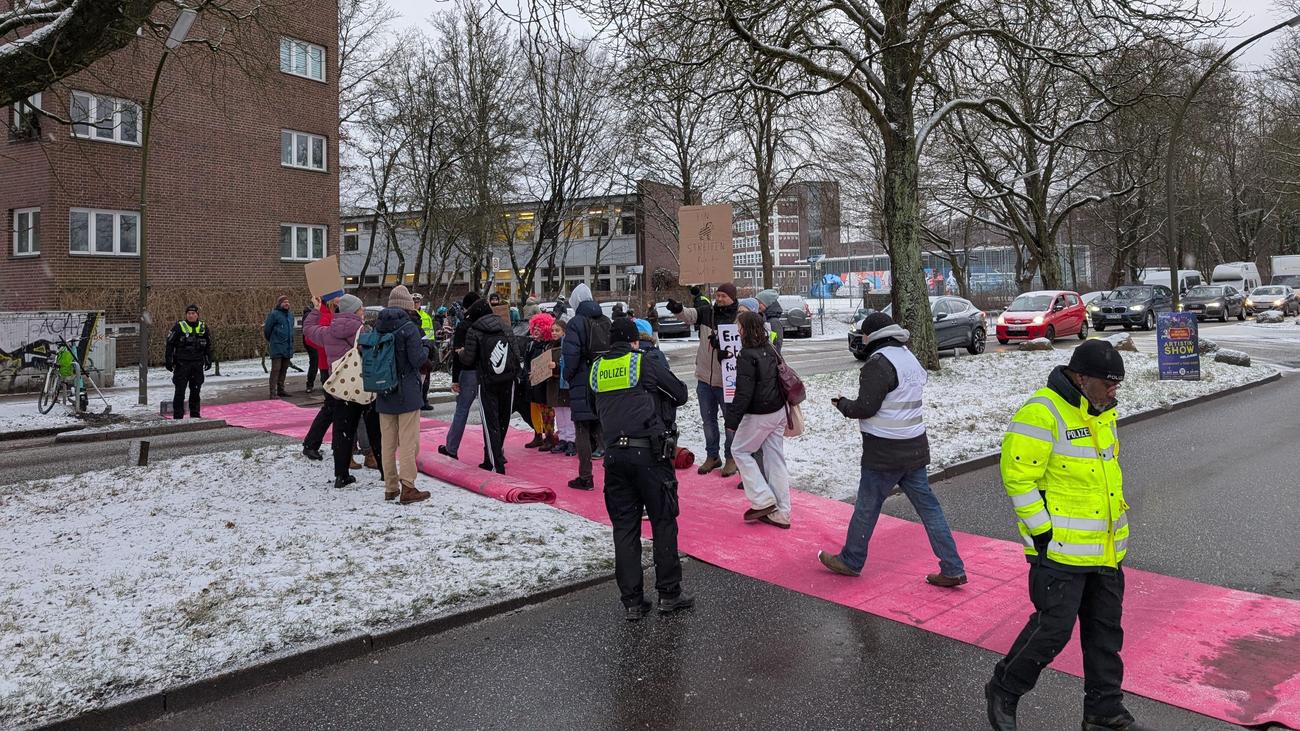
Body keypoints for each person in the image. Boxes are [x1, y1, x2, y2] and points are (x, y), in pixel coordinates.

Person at [985, 340, 1132, 731]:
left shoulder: (1103, 412)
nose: (1115, 390)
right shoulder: (1042, 412)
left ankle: (1105, 711)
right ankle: (1004, 689)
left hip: (1104, 551)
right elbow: (1018, 477)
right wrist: (1042, 533)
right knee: (1052, 630)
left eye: (1118, 383)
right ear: (1082, 378)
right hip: (1059, 551)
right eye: (1109, 383)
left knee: (1105, 635)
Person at [817, 312, 967, 588]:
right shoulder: (909, 358)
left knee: (866, 508)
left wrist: (842, 403)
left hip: (884, 453)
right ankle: (953, 566)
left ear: (872, 336)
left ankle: (851, 560)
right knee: (930, 511)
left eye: (863, 334)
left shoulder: (878, 364)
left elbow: (865, 407)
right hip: (914, 448)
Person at [589, 316, 692, 620]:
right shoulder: (642, 362)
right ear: (635, 341)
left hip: (613, 458)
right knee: (662, 521)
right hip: (648, 455)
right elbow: (680, 392)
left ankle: (633, 601)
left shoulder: (597, 368)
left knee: (624, 528)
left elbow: (591, 405)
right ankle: (669, 594)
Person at [303, 294, 386, 491]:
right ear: (355, 311)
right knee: (375, 430)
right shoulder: (362, 330)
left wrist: (316, 309)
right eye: (361, 308)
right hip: (364, 388)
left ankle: (341, 475)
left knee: (342, 432)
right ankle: (385, 470)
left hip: (341, 389)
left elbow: (307, 329)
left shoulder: (329, 331)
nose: (363, 310)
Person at [726, 311, 791, 529]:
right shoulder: (769, 348)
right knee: (775, 459)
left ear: (746, 329)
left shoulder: (746, 355)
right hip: (779, 409)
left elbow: (743, 393)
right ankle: (782, 512)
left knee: (740, 451)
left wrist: (731, 421)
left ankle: (763, 500)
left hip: (760, 413)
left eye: (739, 325)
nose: (737, 329)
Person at [668, 282, 738, 477]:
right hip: (704, 379)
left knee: (730, 422)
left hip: (727, 382)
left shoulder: (738, 317)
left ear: (732, 298)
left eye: (724, 296)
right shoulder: (708, 312)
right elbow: (690, 315)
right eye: (718, 295)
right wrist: (678, 309)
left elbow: (741, 345)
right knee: (708, 421)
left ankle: (732, 458)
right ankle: (712, 456)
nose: (720, 298)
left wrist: (726, 352)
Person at [373, 285, 432, 504]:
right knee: (408, 441)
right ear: (408, 305)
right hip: (406, 390)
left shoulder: (377, 327)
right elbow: (417, 360)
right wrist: (426, 348)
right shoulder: (409, 328)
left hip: (383, 389)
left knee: (387, 441)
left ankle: (390, 487)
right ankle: (408, 487)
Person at [561, 283, 611, 490]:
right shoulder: (605, 320)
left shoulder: (576, 323)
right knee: (602, 427)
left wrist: (568, 376)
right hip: (603, 379)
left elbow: (571, 355)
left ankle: (585, 476)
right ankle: (615, 474)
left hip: (582, 379)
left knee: (582, 428)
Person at [459, 297, 516, 474]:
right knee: (502, 421)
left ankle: (494, 463)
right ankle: (493, 457)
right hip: (508, 379)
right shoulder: (505, 326)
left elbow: (468, 359)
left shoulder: (474, 330)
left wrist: (461, 353)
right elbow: (516, 352)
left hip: (486, 381)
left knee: (490, 422)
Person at [439, 292, 481, 460]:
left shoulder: (464, 325)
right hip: (485, 372)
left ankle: (452, 447)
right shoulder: (486, 323)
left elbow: (457, 354)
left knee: (462, 411)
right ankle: (494, 450)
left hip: (467, 371)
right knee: (488, 413)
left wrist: (455, 379)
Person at [164, 304, 213, 419]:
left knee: (196, 391)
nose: (191, 316)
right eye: (189, 314)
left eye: (193, 314)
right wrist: (168, 360)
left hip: (197, 364)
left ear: (197, 315)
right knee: (180, 391)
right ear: (186, 315)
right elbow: (170, 344)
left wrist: (208, 359)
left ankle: (195, 415)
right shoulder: (179, 326)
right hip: (182, 364)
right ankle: (178, 416)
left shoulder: (203, 327)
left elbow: (208, 345)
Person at [524, 312, 559, 450]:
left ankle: (549, 437)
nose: (536, 330)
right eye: (535, 327)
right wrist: (527, 374)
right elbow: (527, 362)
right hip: (533, 382)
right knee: (534, 409)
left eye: (540, 327)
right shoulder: (531, 344)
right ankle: (538, 435)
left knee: (547, 410)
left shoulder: (549, 345)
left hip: (545, 383)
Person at [550, 318, 576, 457]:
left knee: (568, 412)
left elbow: (569, 364)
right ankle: (562, 438)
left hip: (565, 383)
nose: (554, 333)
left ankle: (571, 439)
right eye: (552, 330)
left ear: (564, 331)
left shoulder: (567, 345)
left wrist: (557, 367)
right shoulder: (550, 346)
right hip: (555, 384)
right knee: (559, 412)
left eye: (557, 330)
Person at [263, 294, 295, 398]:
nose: (287, 304)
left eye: (287, 302)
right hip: (277, 346)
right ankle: (273, 392)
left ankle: (281, 389)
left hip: (288, 346)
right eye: (284, 302)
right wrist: (273, 340)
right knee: (276, 369)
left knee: (284, 369)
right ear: (280, 304)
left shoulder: (290, 315)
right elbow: (267, 330)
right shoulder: (274, 315)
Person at [413, 293, 435, 411]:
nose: (416, 303)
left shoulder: (426, 316)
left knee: (426, 378)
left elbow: (430, 334)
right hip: (416, 349)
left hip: (426, 349)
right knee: (417, 378)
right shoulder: (410, 316)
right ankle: (417, 400)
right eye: (414, 301)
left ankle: (424, 400)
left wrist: (430, 347)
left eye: (418, 301)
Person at [302, 305, 321, 393]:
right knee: (315, 363)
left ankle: (310, 384)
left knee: (316, 363)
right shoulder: (311, 315)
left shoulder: (310, 314)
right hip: (313, 342)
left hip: (315, 341)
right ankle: (310, 384)